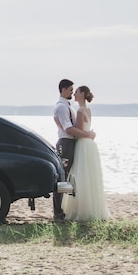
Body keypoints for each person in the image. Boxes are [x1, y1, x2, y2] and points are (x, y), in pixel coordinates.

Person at [61, 85, 110, 221]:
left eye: (76, 92)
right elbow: (86, 131)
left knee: (81, 176)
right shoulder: (88, 109)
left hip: (83, 145)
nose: (74, 94)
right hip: (90, 146)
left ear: (82, 94)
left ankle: (81, 210)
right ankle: (92, 208)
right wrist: (90, 134)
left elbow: (79, 133)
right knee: (89, 176)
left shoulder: (81, 111)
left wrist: (65, 127)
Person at [52, 79, 96, 222]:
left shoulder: (68, 107)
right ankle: (58, 213)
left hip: (72, 143)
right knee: (62, 177)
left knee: (68, 177)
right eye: (71, 90)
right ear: (63, 90)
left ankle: (61, 211)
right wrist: (88, 135)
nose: (72, 92)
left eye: (74, 90)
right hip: (65, 144)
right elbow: (69, 129)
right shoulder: (61, 107)